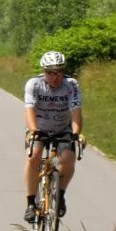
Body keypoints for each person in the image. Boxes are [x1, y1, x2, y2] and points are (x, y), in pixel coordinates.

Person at [23, 50, 83, 222]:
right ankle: (30, 204)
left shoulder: (71, 85)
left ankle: (60, 195)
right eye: (50, 72)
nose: (55, 77)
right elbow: (29, 110)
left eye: (59, 72)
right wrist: (34, 130)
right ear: (43, 71)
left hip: (62, 128)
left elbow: (76, 111)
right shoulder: (34, 84)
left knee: (68, 158)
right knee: (33, 157)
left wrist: (76, 133)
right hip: (39, 127)